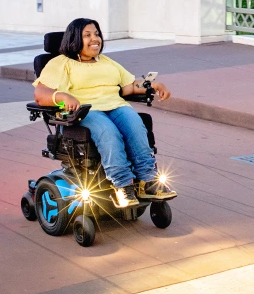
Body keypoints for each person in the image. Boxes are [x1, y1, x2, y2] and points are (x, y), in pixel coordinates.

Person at [33, 18, 174, 207]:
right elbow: (41, 94)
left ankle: (147, 181)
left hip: (115, 105)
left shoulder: (107, 62)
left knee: (136, 125)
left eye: (97, 34)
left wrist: (154, 85)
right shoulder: (61, 63)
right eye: (87, 35)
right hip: (85, 110)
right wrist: (63, 97)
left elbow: (129, 86)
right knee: (109, 133)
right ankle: (122, 185)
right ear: (74, 39)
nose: (95, 39)